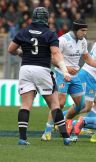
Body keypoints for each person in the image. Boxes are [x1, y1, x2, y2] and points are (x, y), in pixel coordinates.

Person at [8, 7, 71, 145]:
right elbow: (55, 53)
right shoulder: (50, 34)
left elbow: (10, 49)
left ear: (33, 17)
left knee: (25, 105)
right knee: (54, 104)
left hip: (25, 69)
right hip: (42, 70)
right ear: (46, 18)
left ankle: (22, 138)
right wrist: (65, 70)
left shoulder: (23, 32)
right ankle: (66, 137)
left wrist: (21, 53)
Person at [41, 20, 96, 141]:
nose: (85, 33)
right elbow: (52, 57)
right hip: (62, 74)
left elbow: (86, 57)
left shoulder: (83, 41)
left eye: (86, 31)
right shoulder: (63, 40)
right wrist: (66, 69)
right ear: (75, 30)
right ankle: (47, 131)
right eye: (82, 31)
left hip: (75, 76)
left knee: (81, 105)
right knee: (60, 103)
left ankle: (62, 121)